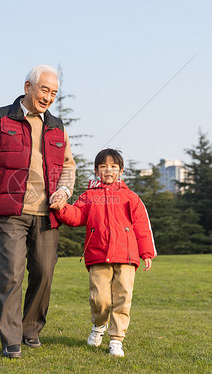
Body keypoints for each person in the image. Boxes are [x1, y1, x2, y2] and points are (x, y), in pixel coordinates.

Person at [0, 65, 76, 359]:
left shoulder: (57, 126)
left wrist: (64, 191)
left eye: (54, 93)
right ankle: (11, 339)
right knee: (12, 273)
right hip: (11, 212)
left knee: (44, 272)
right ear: (28, 86)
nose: (49, 97)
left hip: (47, 214)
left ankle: (30, 329)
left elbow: (68, 166)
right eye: (44, 90)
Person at [50, 148, 156, 357]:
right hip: (97, 255)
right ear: (96, 171)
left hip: (126, 256)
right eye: (103, 167)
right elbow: (77, 215)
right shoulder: (89, 196)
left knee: (122, 297)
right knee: (99, 299)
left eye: (113, 167)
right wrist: (61, 208)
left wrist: (147, 252)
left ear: (121, 170)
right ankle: (99, 325)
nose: (109, 170)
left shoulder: (130, 197)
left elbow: (142, 225)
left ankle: (116, 340)